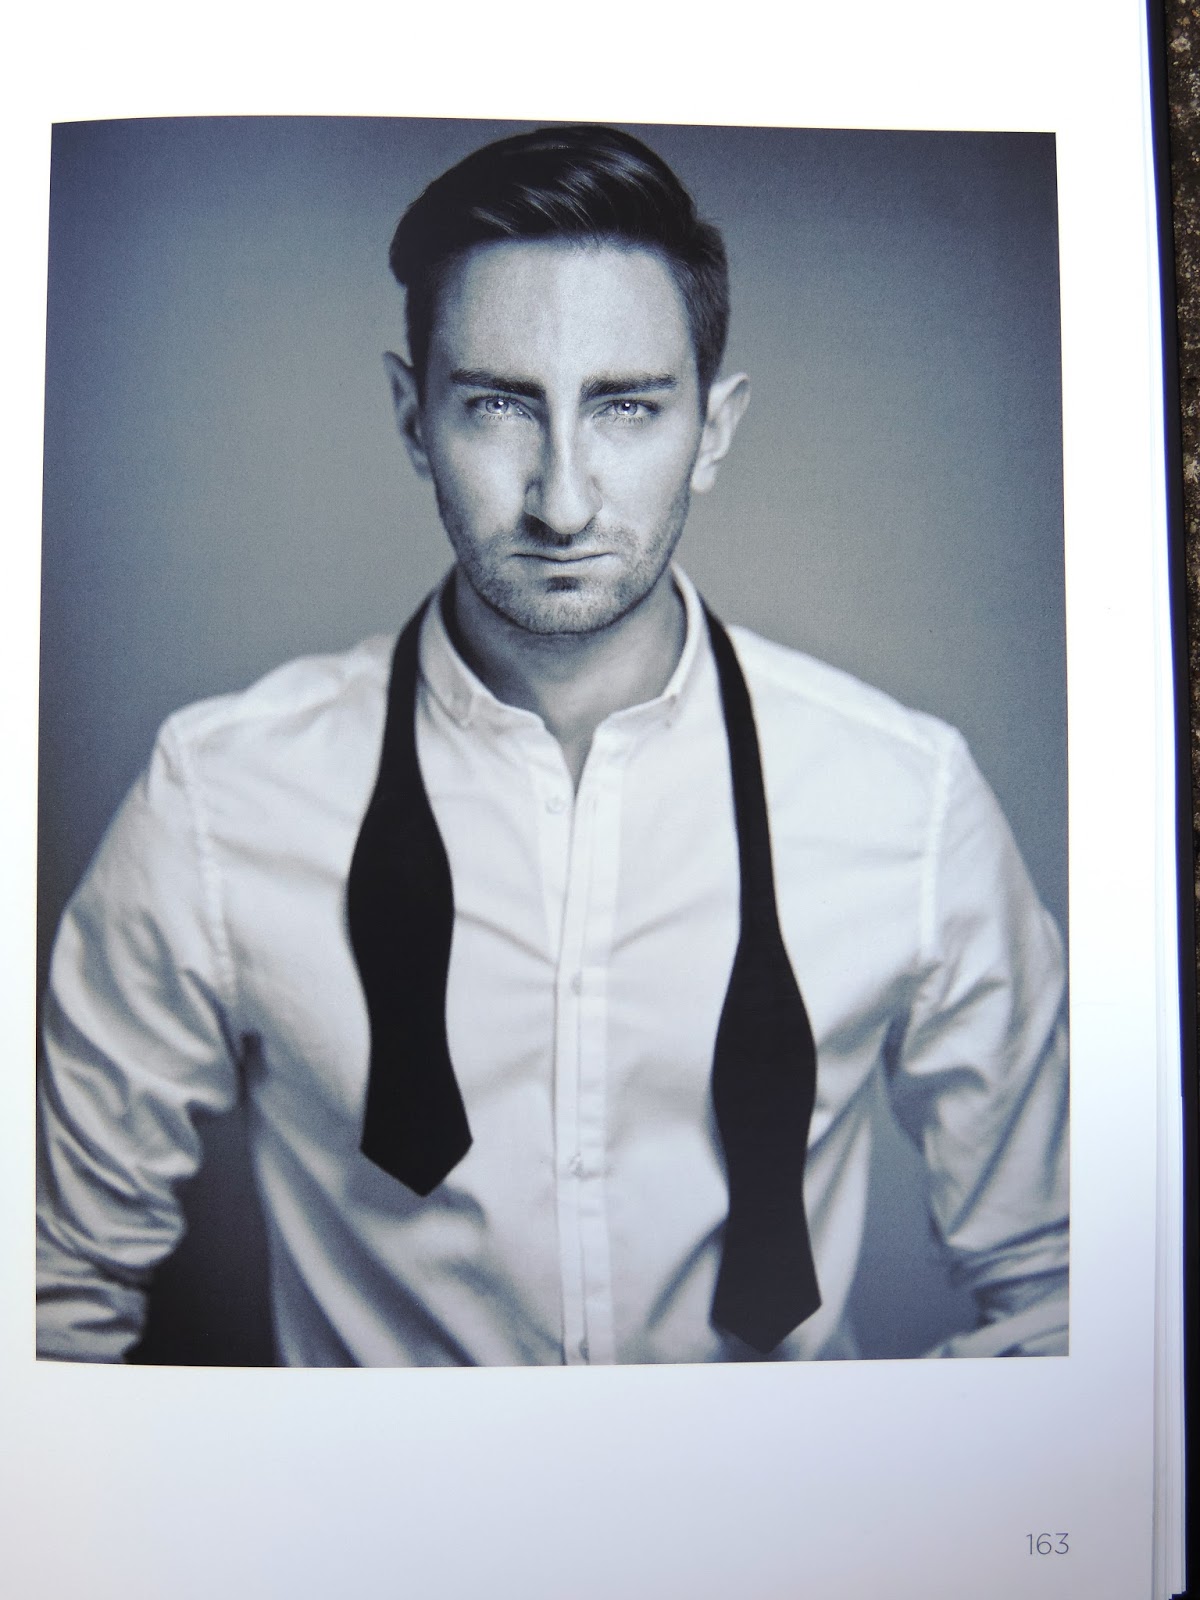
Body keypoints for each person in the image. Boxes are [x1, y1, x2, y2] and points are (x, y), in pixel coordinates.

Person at [36, 124, 1068, 1367]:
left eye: (626, 407)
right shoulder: (217, 799)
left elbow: (1072, 1286)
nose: (563, 500)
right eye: (498, 406)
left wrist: (894, 1469)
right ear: (413, 417)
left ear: (715, 427)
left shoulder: (907, 801)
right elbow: (46, 1293)